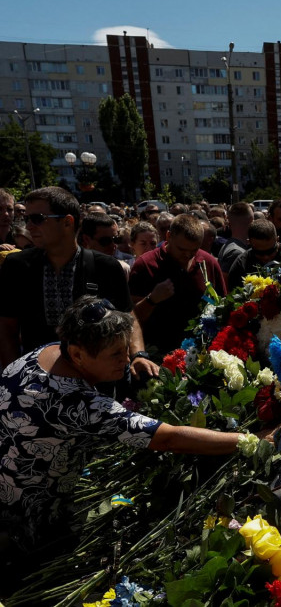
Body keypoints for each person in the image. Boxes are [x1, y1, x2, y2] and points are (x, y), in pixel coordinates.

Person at [0, 296, 251, 563]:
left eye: (125, 349)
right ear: (77, 354)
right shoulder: (80, 404)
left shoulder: (47, 352)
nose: (126, 359)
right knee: (30, 563)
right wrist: (249, 440)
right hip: (26, 508)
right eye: (115, 354)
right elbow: (168, 438)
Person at [0, 187, 159, 380]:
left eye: (38, 218)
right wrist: (16, 375)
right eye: (27, 218)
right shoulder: (17, 266)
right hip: (37, 382)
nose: (30, 226)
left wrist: (138, 355)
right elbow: (7, 328)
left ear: (67, 222)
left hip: (95, 384)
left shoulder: (106, 267)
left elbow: (127, 316)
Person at [129, 213, 227, 355]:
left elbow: (223, 308)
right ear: (168, 237)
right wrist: (152, 299)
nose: (187, 255)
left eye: (194, 250)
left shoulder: (208, 262)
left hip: (202, 355)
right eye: (182, 249)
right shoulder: (145, 265)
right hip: (158, 356)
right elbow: (131, 320)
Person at [227, 219, 281, 289]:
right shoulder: (241, 265)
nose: (266, 257)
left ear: (277, 240)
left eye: (271, 251)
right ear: (249, 243)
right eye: (260, 253)